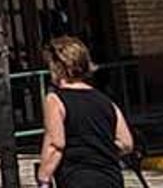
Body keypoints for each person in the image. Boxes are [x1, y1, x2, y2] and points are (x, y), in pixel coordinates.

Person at [38, 34, 134, 188]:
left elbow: (56, 144)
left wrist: (43, 178)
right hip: (111, 177)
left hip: (77, 177)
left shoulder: (55, 100)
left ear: (58, 67)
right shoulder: (105, 101)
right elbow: (126, 143)